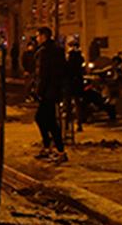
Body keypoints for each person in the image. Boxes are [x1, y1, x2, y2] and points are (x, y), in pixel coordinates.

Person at [34, 26, 67, 162]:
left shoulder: (45, 52)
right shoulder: (56, 50)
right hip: (53, 90)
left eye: (38, 36)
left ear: (43, 36)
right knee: (46, 119)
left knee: (45, 120)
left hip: (48, 91)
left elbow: (44, 74)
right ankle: (50, 147)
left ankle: (59, 150)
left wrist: (39, 91)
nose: (37, 39)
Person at [64, 40, 85, 133]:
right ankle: (79, 123)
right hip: (78, 82)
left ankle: (67, 124)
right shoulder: (80, 56)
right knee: (78, 103)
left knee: (68, 104)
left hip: (70, 82)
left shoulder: (70, 56)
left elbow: (67, 68)